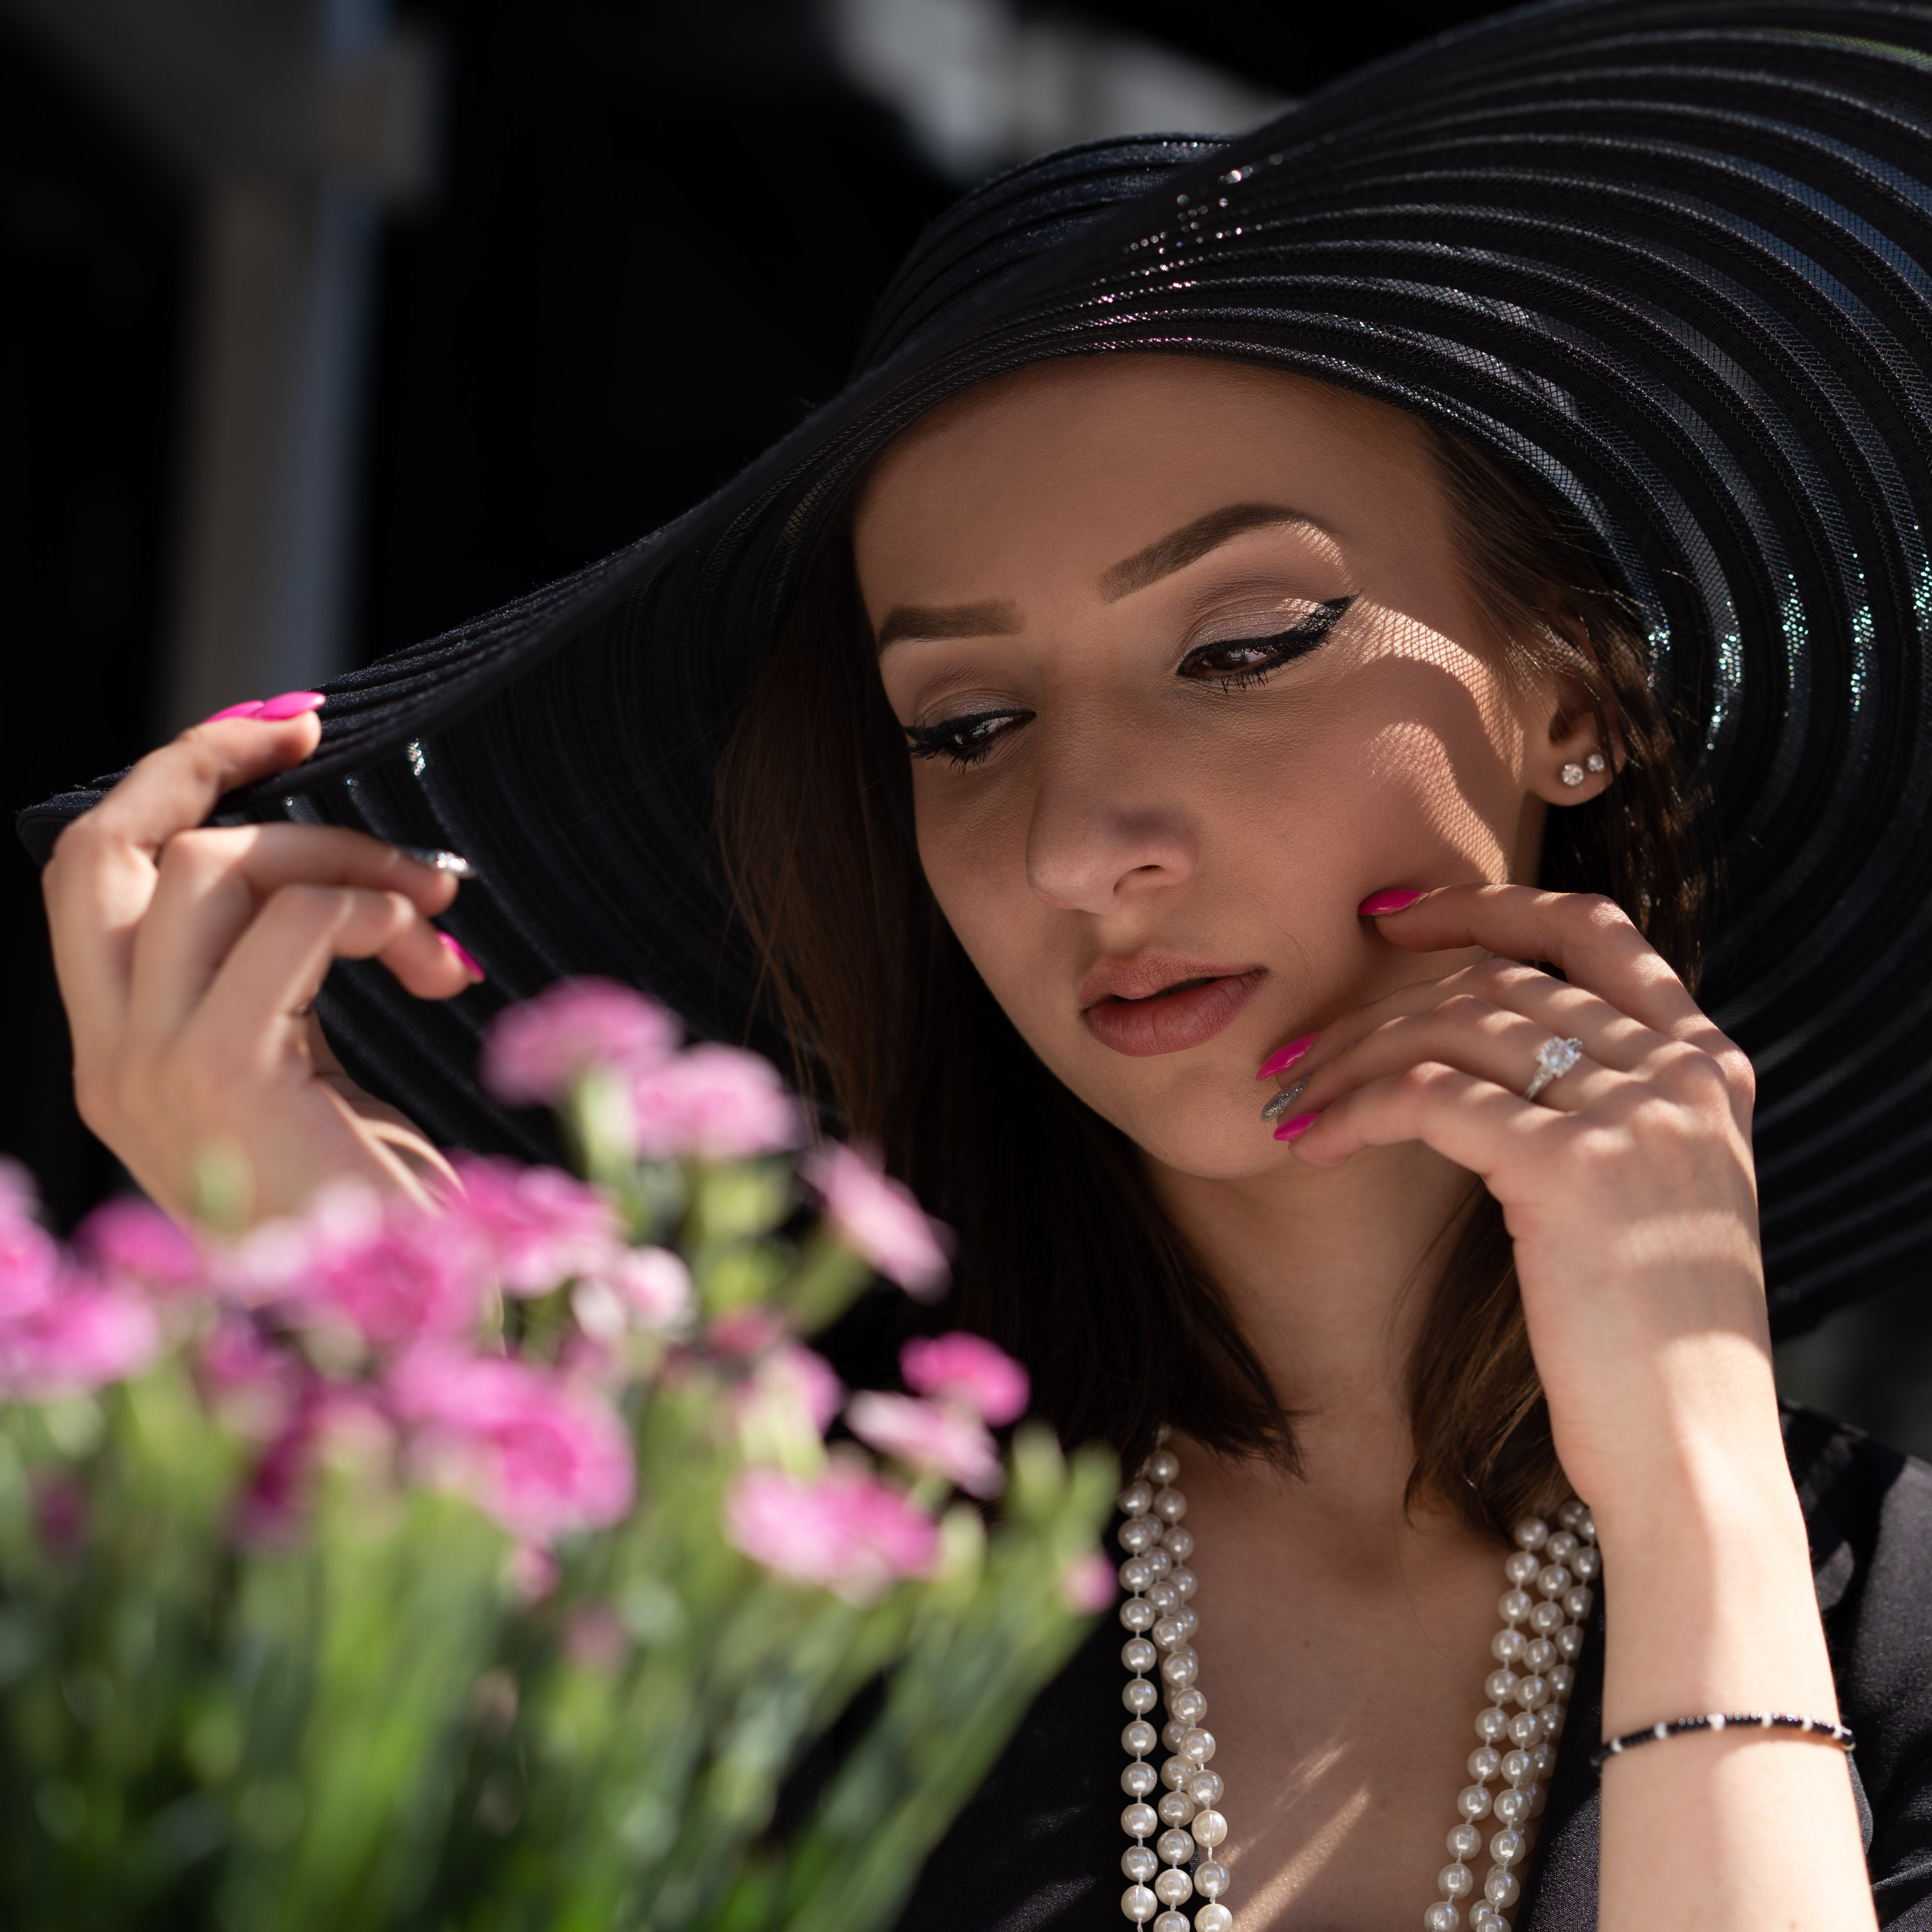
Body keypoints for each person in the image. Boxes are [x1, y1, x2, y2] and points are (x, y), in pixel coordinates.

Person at [23, 3, 1932, 1927]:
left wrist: (1692, 1460)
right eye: (964, 723)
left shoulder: (1883, 1613)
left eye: (1243, 642)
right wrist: (381, 1339)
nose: (1081, 840)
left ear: (1571, 698)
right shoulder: (778, 1563)